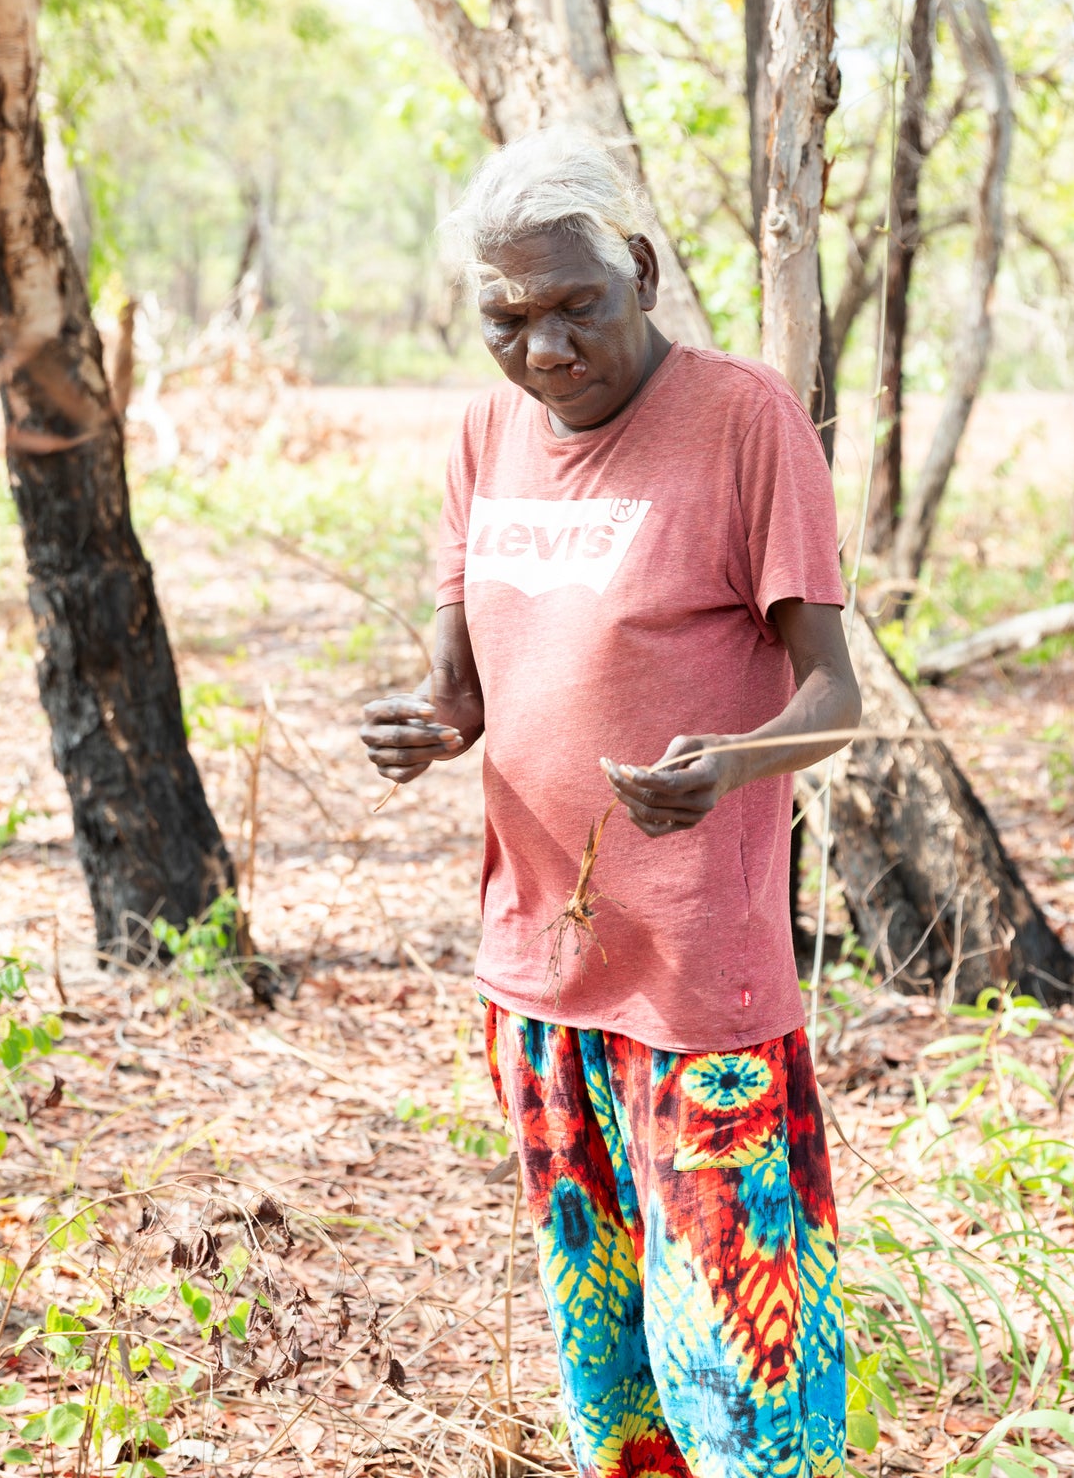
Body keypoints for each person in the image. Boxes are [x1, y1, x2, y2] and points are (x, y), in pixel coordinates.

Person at [359, 125, 861, 1478]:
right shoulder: (483, 438)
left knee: (746, 1379)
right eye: (509, 318)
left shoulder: (743, 420)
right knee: (610, 1376)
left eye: (578, 304)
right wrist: (424, 726)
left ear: (637, 270)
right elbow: (462, 690)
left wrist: (728, 764)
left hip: (698, 976)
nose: (547, 349)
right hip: (532, 967)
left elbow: (834, 695)